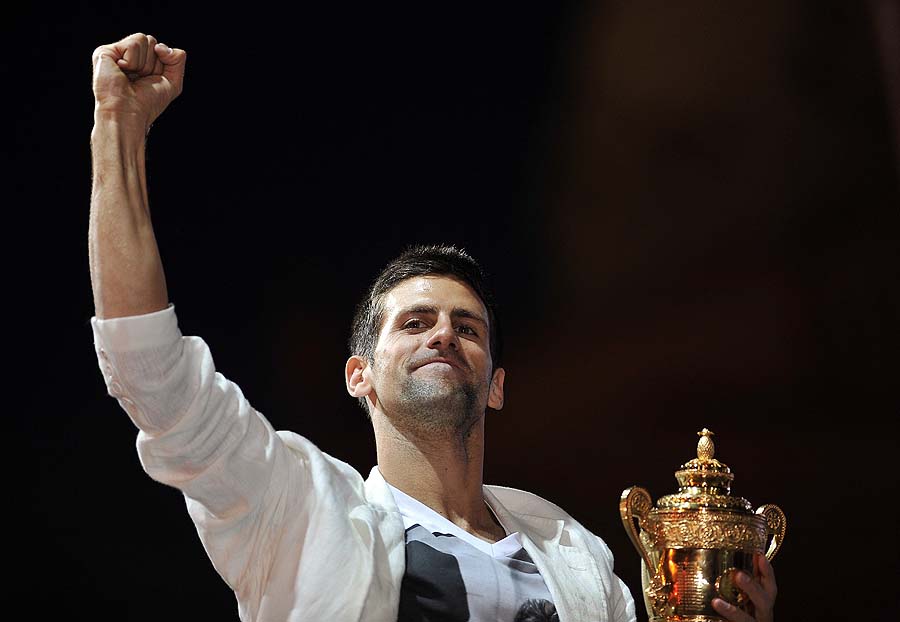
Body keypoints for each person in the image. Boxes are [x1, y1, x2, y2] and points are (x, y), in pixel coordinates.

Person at [89, 33, 778, 622]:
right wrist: (117, 126)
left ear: (497, 385)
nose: (443, 335)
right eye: (415, 323)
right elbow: (150, 368)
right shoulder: (293, 505)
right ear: (359, 375)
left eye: (468, 328)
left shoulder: (575, 552)